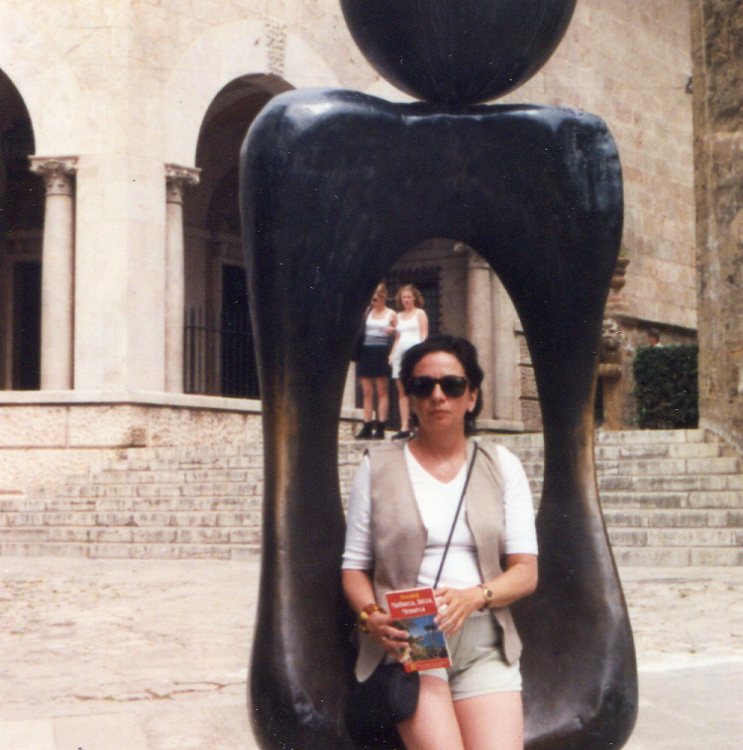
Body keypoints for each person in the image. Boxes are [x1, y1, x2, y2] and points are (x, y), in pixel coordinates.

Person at [343, 335, 538, 750]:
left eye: (451, 385)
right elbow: (354, 568)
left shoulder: (502, 465)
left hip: (485, 637)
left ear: (472, 395)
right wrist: (372, 616)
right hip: (415, 632)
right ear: (409, 396)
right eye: (423, 386)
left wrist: (474, 597)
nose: (437, 396)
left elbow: (525, 571)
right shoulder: (377, 467)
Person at [355, 283, 397, 440]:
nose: (373, 302)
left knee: (381, 390)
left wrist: (392, 331)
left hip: (382, 351)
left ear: (383, 297)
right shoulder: (367, 311)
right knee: (366, 391)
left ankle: (380, 426)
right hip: (366, 351)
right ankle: (367, 425)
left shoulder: (391, 314)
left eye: (376, 299)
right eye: (372, 299)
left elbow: (399, 334)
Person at [389, 284, 429, 440]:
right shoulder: (398, 316)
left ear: (414, 298)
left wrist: (421, 353)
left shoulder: (420, 313)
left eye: (409, 297)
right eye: (404, 297)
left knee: (415, 390)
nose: (406, 300)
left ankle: (419, 424)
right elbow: (397, 338)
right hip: (400, 354)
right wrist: (392, 354)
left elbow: (424, 335)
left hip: (414, 354)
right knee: (402, 391)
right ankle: (404, 426)